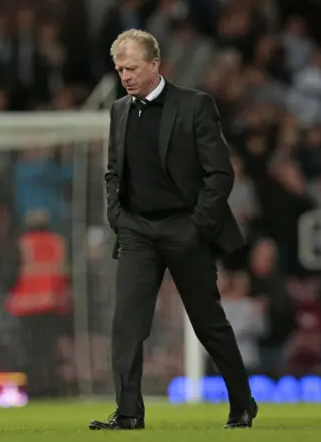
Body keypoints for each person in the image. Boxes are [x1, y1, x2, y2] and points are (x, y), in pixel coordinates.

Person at [89, 29, 257, 430]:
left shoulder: (195, 105)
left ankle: (242, 402)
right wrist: (117, 215)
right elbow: (113, 172)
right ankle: (129, 413)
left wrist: (197, 226)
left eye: (131, 68)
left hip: (185, 227)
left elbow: (220, 173)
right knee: (127, 324)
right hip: (137, 232)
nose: (125, 76)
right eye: (119, 69)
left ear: (154, 64)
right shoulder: (119, 110)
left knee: (207, 323)